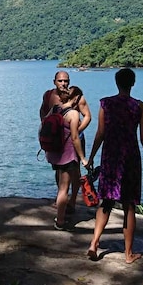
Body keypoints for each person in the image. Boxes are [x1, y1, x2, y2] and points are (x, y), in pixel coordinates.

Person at [84, 68, 143, 264]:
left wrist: (91, 156)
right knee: (129, 205)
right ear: (133, 83)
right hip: (130, 157)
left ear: (116, 83)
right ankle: (128, 254)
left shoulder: (106, 104)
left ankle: (94, 243)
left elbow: (100, 133)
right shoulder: (139, 106)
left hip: (110, 157)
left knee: (106, 201)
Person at [40, 71, 91, 211]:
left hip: (74, 137)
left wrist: (78, 130)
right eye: (60, 81)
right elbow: (43, 111)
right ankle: (62, 197)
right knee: (58, 169)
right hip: (57, 138)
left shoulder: (76, 97)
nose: (63, 84)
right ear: (54, 81)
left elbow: (87, 116)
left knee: (75, 169)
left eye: (66, 81)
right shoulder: (49, 96)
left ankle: (72, 201)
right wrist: (46, 129)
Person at [44, 85, 87, 230]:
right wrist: (82, 158)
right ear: (75, 98)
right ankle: (60, 221)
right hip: (67, 155)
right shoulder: (73, 114)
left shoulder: (55, 108)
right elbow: (75, 138)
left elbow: (44, 123)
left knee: (61, 185)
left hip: (54, 153)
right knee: (64, 188)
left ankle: (63, 212)